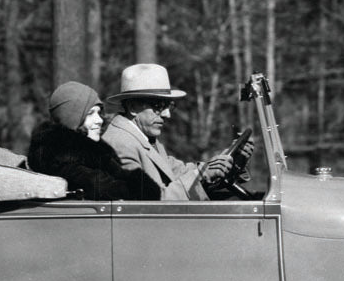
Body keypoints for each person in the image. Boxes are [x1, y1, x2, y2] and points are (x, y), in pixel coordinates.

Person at [102, 63, 253, 200]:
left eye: (169, 106)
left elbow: (177, 171)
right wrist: (201, 175)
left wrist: (228, 161)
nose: (167, 114)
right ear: (133, 107)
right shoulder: (119, 145)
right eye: (158, 106)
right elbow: (149, 202)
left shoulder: (143, 138)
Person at [28, 81, 161, 200]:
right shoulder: (60, 160)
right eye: (90, 113)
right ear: (73, 119)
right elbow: (106, 188)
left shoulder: (93, 155)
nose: (99, 120)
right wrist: (142, 186)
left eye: (99, 113)